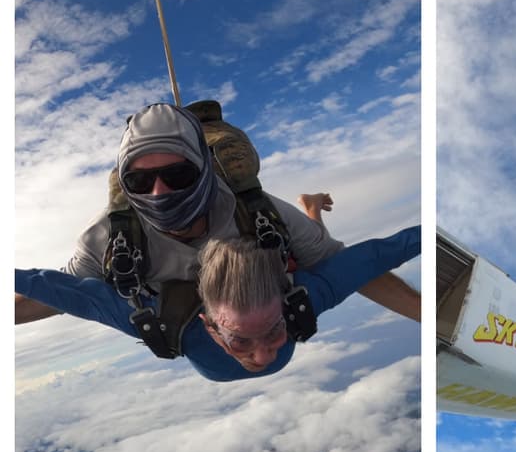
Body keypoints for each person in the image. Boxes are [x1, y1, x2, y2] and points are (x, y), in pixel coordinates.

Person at [14, 102, 421, 327]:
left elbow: (351, 269)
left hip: (260, 286)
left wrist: (430, 320)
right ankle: (310, 207)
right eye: (140, 182)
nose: (160, 192)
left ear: (204, 171)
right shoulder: (108, 239)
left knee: (312, 264)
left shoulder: (255, 212)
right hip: (199, 311)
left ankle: (310, 209)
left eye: (177, 174)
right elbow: (46, 297)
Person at [15, 225, 421, 381]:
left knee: (319, 253)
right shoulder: (161, 322)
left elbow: (385, 252)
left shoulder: (303, 300)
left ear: (285, 309)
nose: (262, 356)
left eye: (274, 330)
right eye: (241, 340)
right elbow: (53, 290)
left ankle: (310, 209)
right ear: (211, 327)